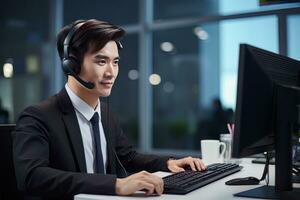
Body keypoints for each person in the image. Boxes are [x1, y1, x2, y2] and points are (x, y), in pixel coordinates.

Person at [13, 19, 206, 200]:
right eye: (101, 61)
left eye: (115, 62)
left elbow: (128, 157)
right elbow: (32, 176)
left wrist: (168, 163)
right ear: (71, 65)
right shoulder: (38, 117)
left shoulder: (104, 113)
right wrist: (115, 185)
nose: (111, 72)